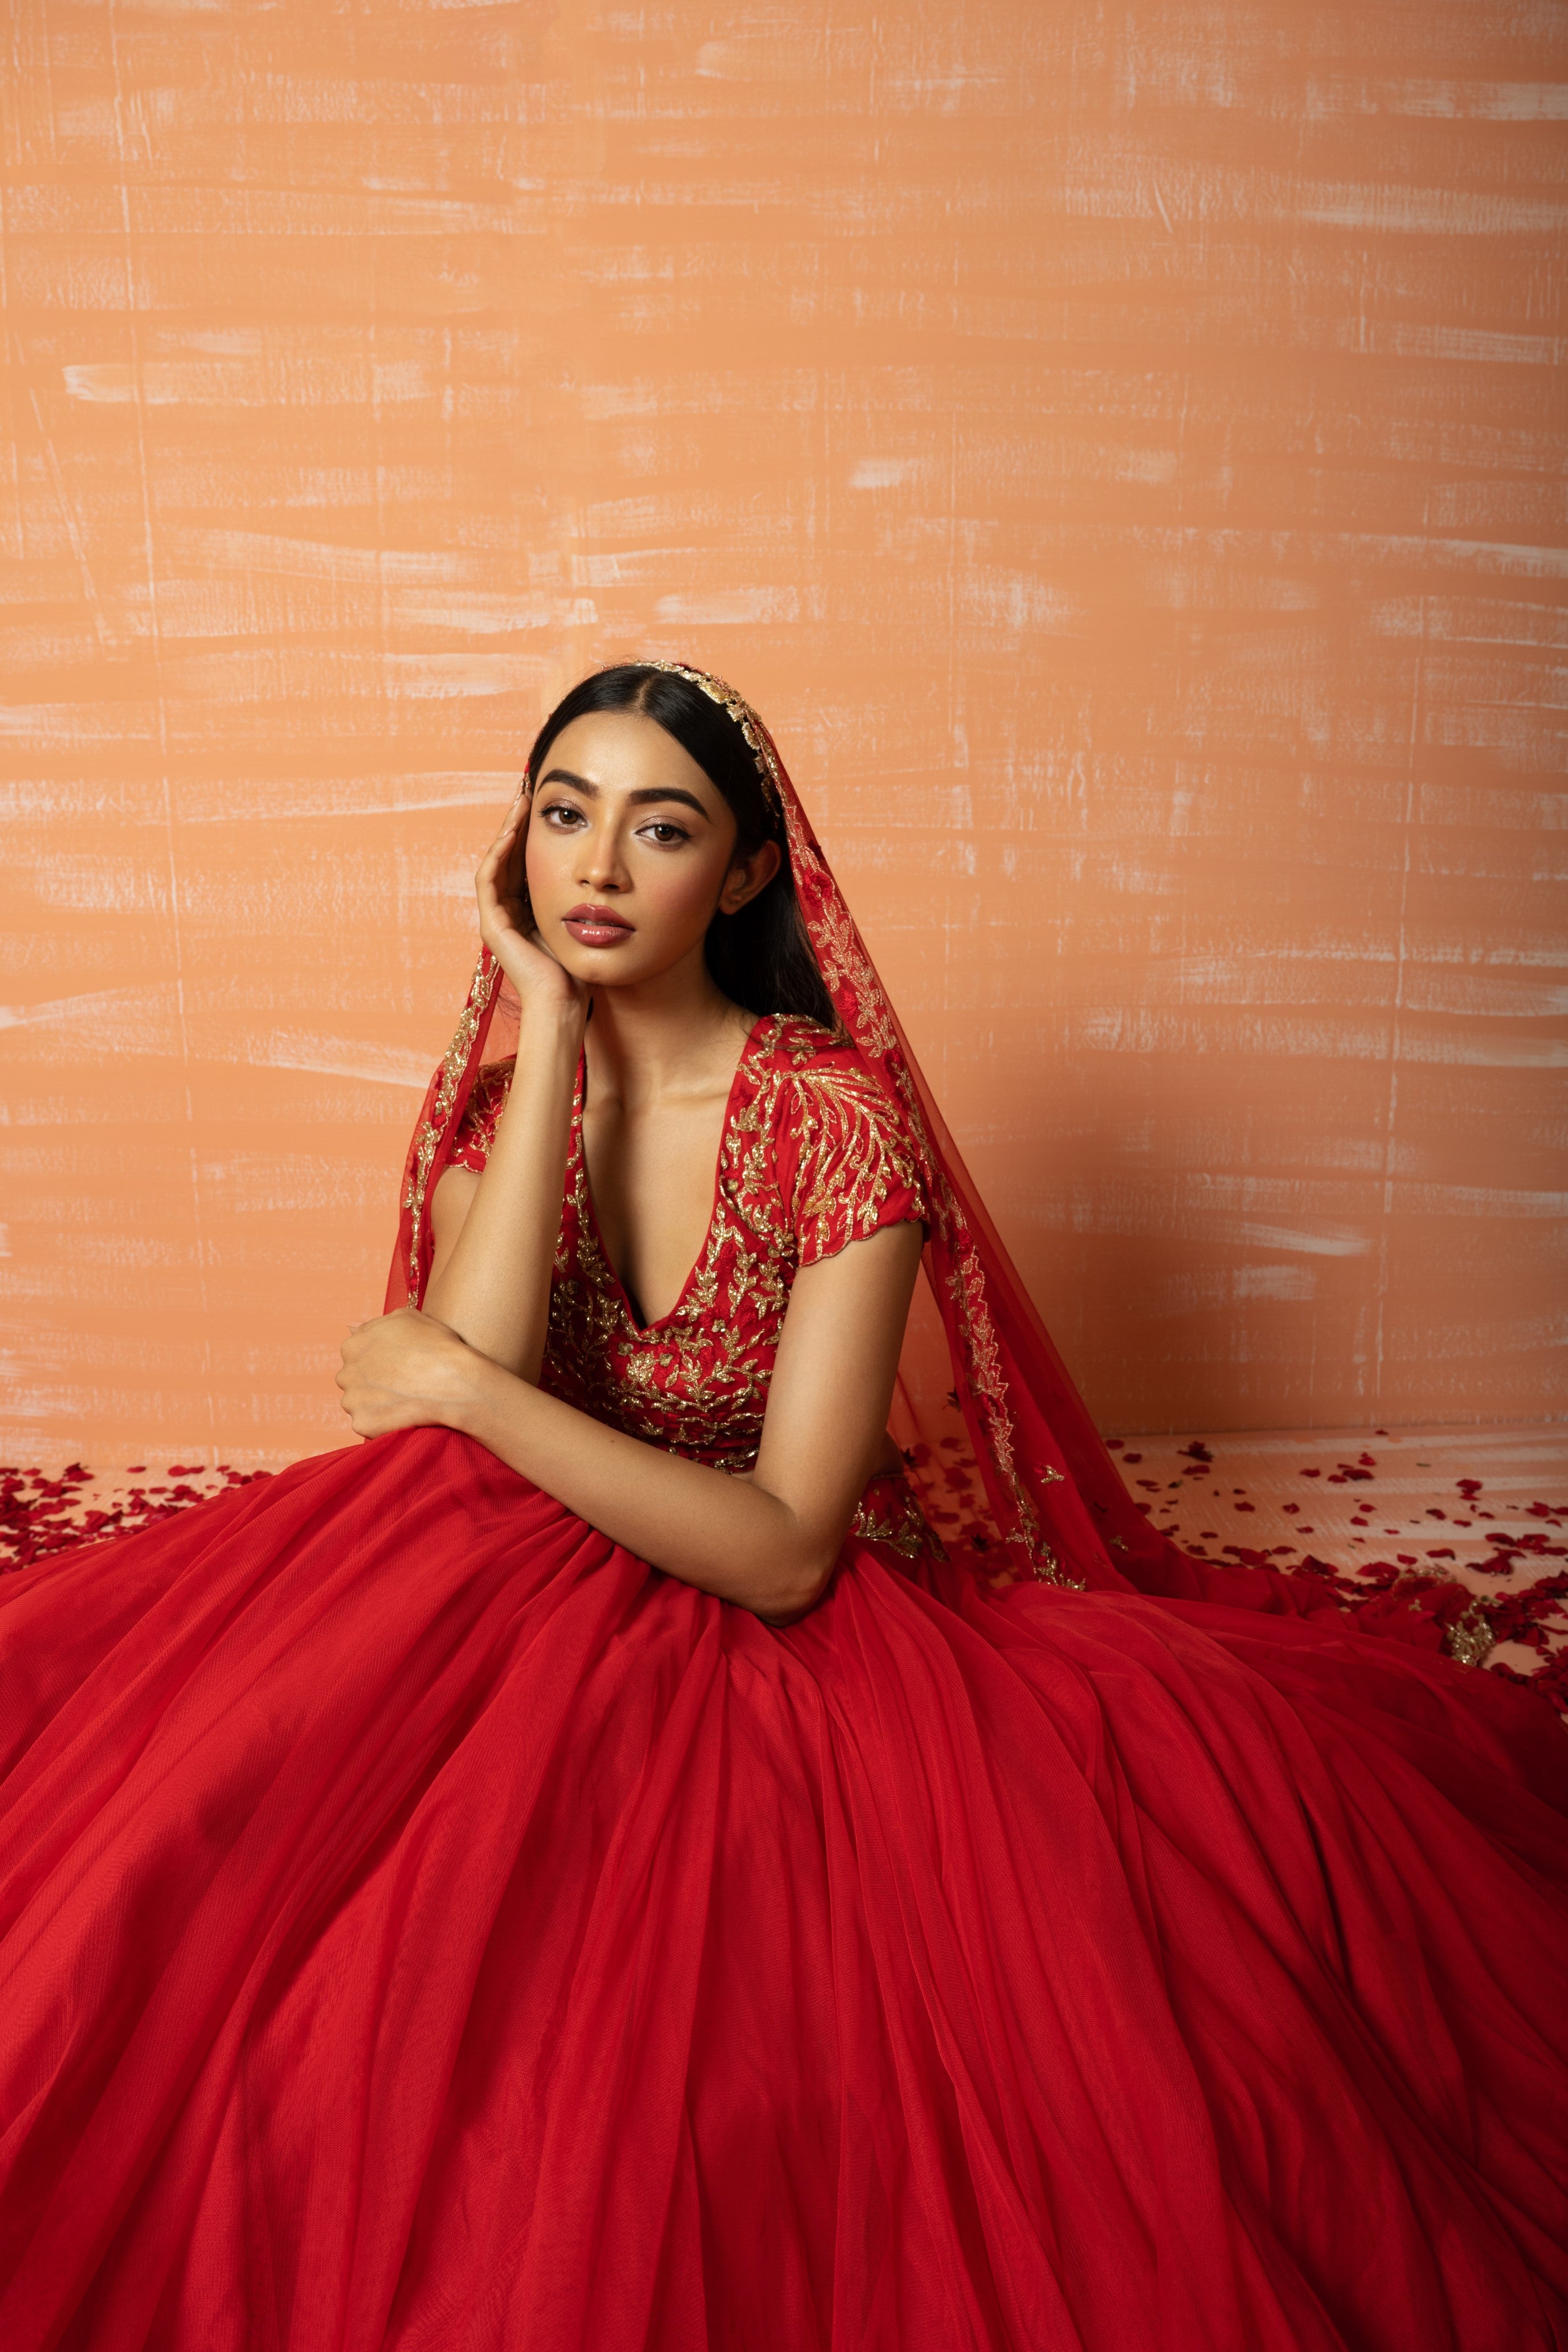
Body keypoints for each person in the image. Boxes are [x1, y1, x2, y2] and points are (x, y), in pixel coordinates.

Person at [0, 662, 1563, 2352]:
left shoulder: (828, 1123)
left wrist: (469, 1393)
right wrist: (548, 1033)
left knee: (679, 2027)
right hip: (530, 1596)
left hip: (799, 1638)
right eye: (562, 817)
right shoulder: (505, 1105)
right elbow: (475, 1390)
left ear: (744, 876)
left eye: (659, 829)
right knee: (226, 1871)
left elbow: (780, 1544)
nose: (596, 869)